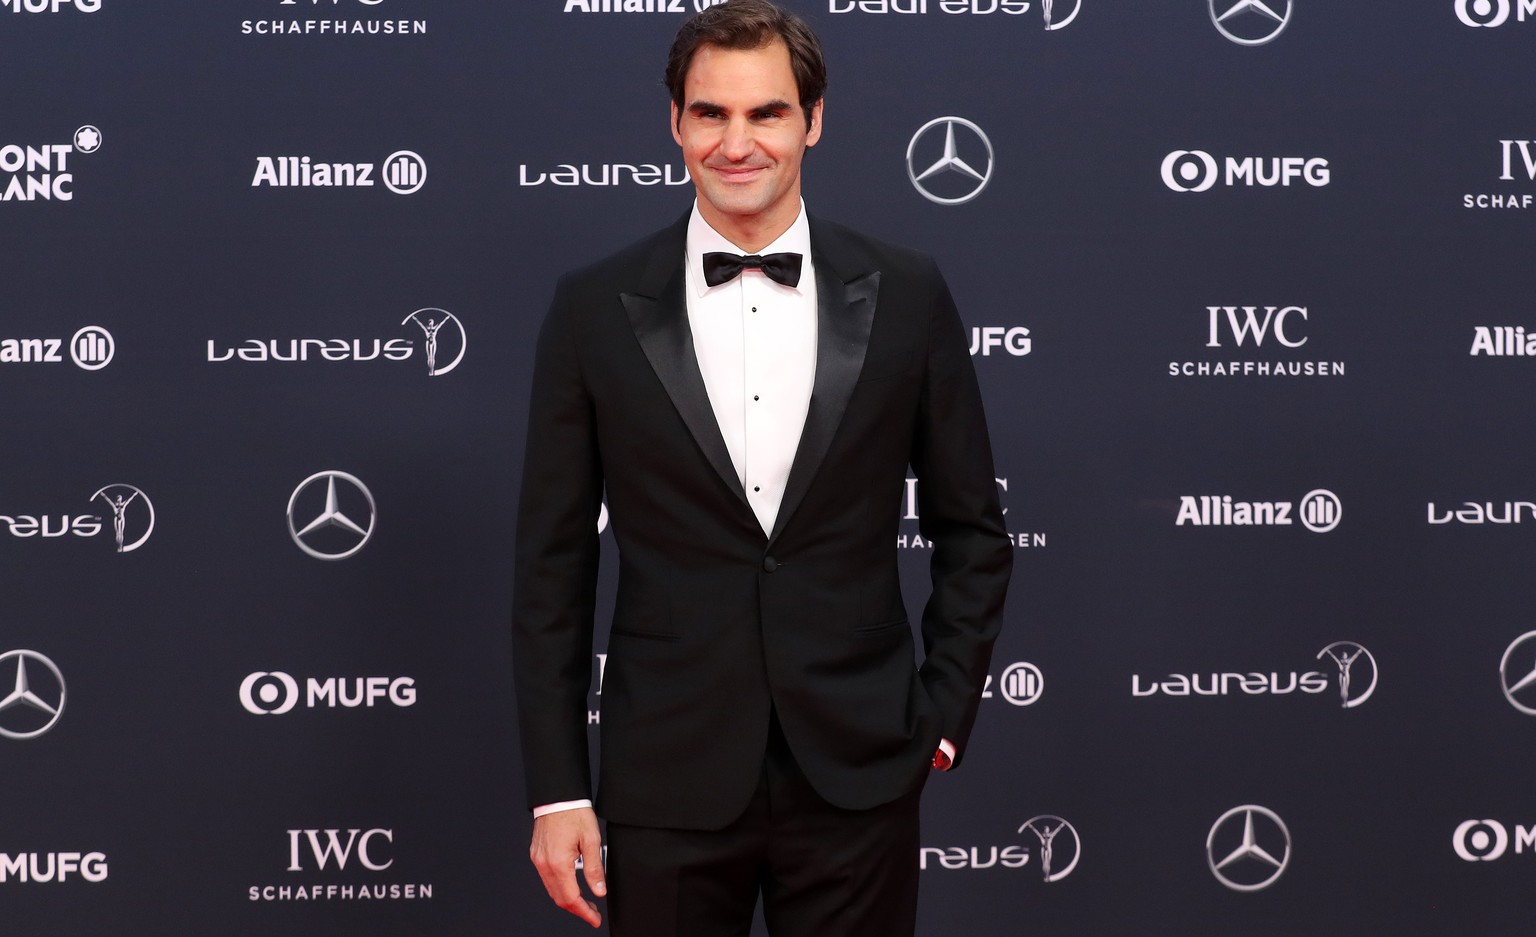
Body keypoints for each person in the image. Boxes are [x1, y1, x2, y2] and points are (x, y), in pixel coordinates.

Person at [512, 2, 1012, 934]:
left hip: (859, 765)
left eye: (766, 114)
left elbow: (974, 531)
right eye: (711, 113)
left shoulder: (906, 292)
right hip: (666, 770)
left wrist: (938, 717)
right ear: (675, 122)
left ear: (813, 122)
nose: (736, 143)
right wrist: (556, 790)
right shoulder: (592, 308)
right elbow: (551, 565)